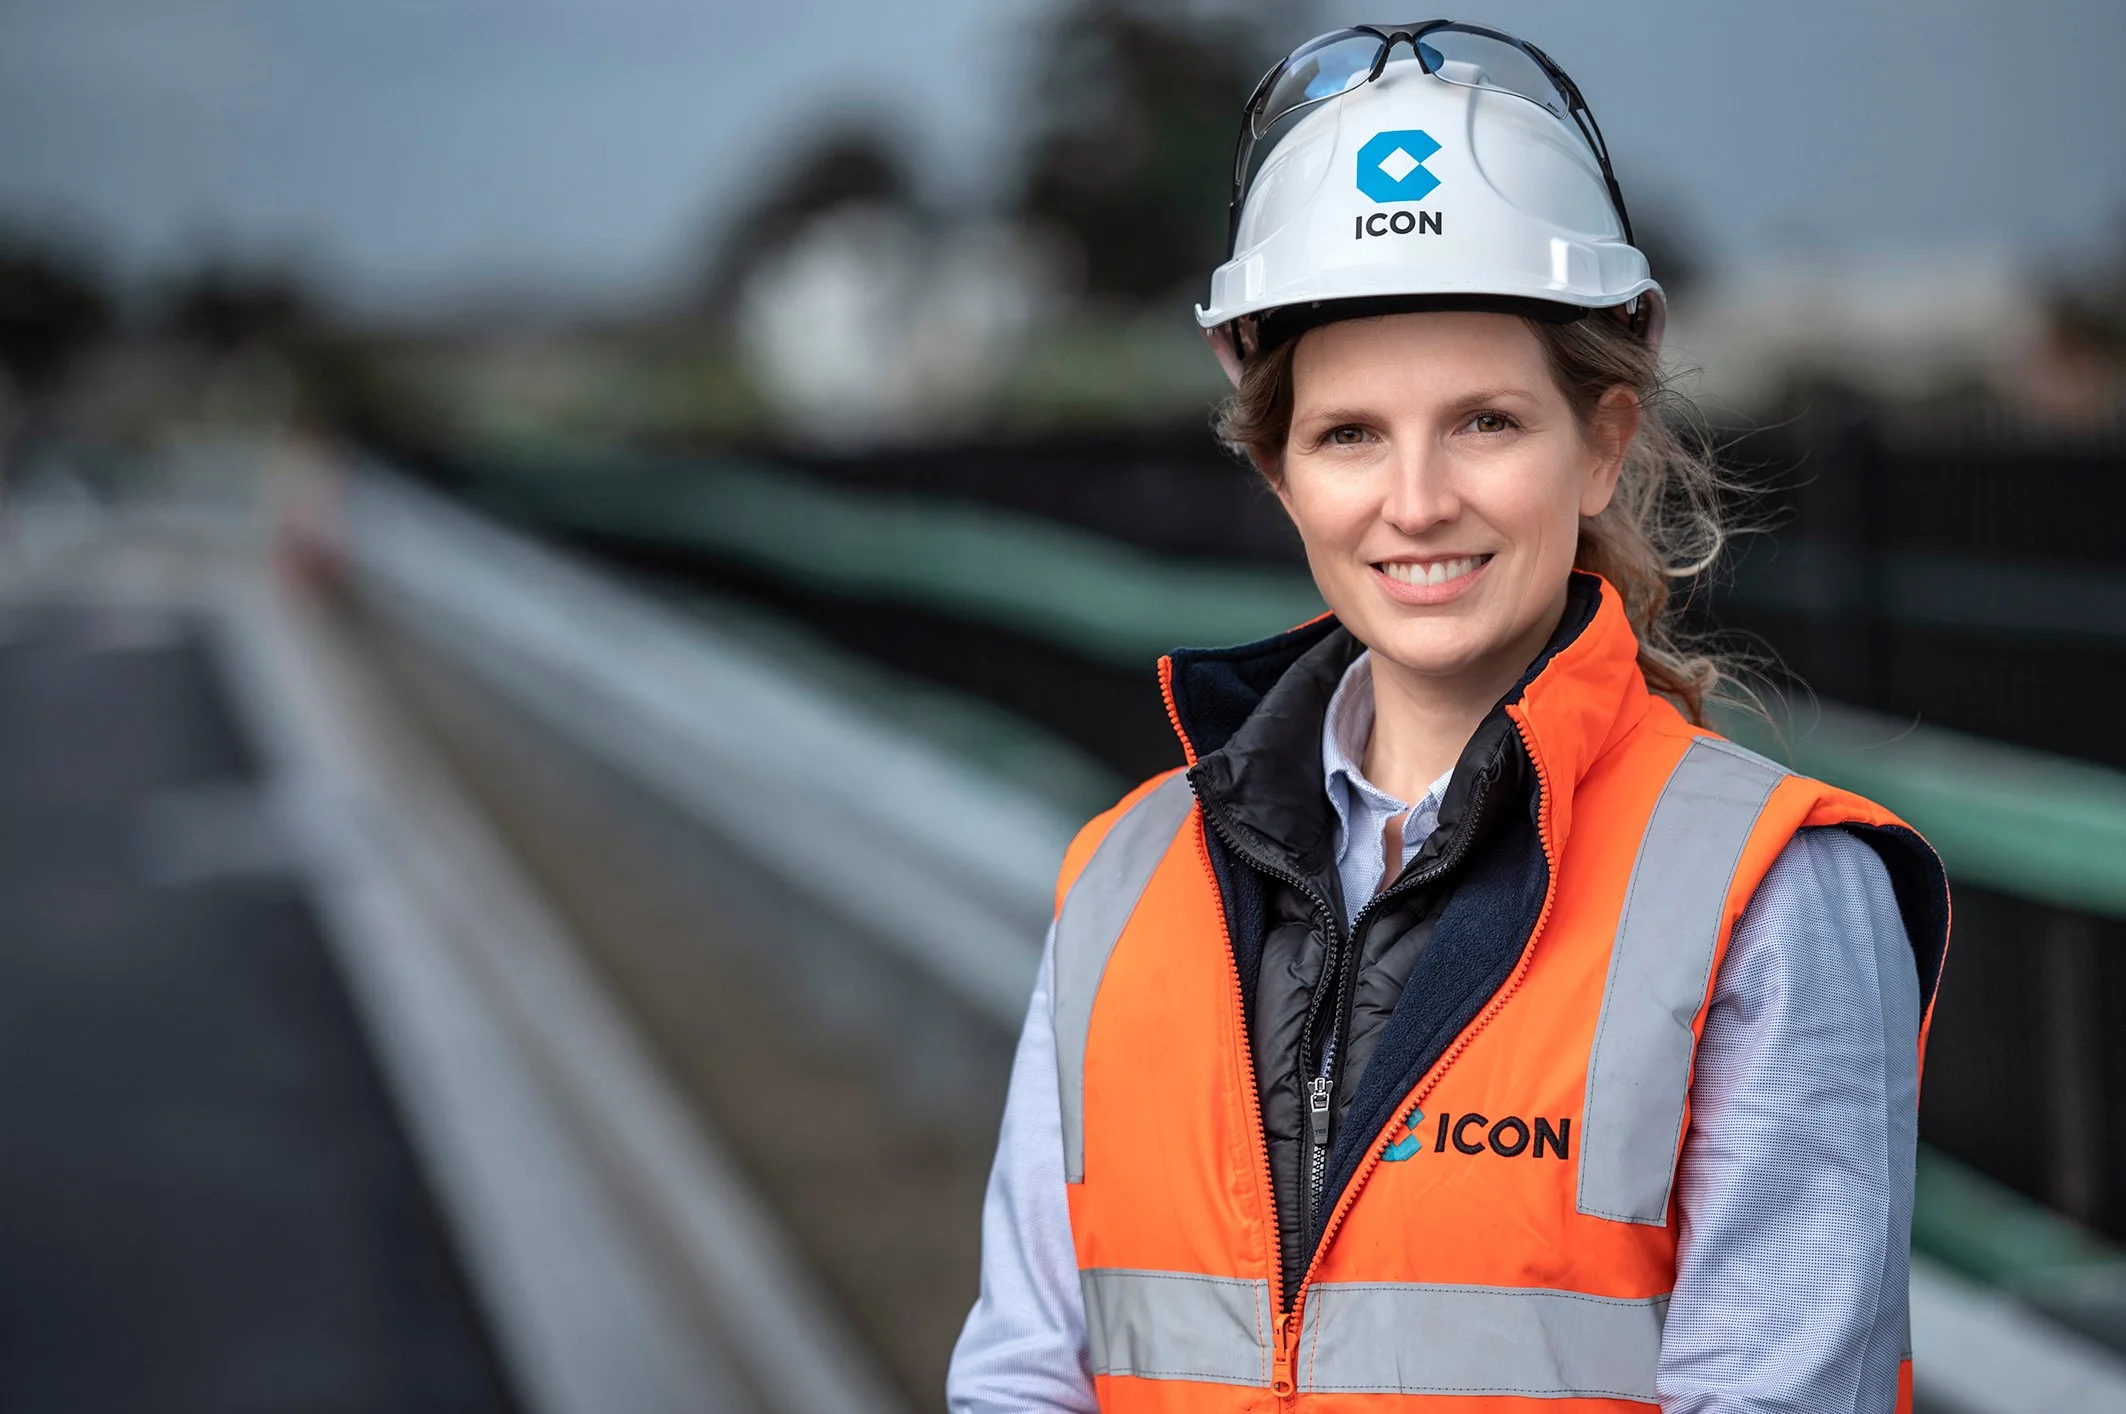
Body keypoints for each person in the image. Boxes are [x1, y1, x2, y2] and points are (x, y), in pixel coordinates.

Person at [947, 21, 1949, 1414]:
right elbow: (1021, 1369)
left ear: (1599, 444)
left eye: (1483, 421)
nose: (1413, 500)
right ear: (1280, 471)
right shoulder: (1120, 877)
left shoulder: (1772, 896)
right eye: (1348, 432)